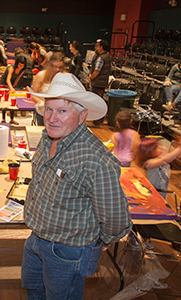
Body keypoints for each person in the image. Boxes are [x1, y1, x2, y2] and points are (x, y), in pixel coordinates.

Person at [23, 73, 132, 299]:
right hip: (36, 239)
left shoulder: (95, 159)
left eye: (62, 111)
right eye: (49, 109)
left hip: (67, 250)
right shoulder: (47, 140)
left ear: (82, 115)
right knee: (34, 292)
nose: (52, 118)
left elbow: (116, 218)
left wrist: (102, 240)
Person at [30, 51, 65, 126]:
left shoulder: (65, 76)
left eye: (60, 67)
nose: (58, 69)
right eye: (55, 66)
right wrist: (40, 102)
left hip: (59, 114)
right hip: (42, 112)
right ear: (50, 65)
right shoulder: (41, 75)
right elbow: (33, 94)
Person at [88, 39, 111, 125]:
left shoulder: (101, 57)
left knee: (97, 102)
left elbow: (97, 71)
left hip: (98, 83)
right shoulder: (106, 56)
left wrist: (90, 78)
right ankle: (97, 120)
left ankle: (97, 120)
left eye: (97, 46)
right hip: (101, 83)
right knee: (98, 101)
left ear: (101, 47)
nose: (95, 48)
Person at [0, 56, 27, 125]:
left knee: (12, 101)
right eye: (20, 65)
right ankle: (3, 119)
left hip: (12, 84)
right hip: (4, 83)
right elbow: (8, 79)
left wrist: (13, 87)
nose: (21, 67)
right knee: (5, 101)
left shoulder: (23, 69)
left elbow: (17, 78)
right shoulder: (11, 68)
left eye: (22, 66)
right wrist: (11, 87)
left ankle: (12, 119)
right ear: (17, 63)